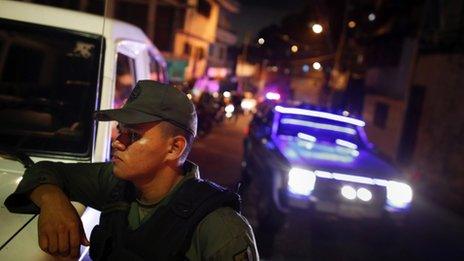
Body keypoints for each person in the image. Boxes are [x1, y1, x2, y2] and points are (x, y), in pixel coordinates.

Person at [5, 80, 259, 260]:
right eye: (120, 130)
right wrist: (52, 201)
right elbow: (46, 171)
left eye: (133, 135)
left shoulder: (221, 228)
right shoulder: (118, 183)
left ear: (174, 148)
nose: (117, 141)